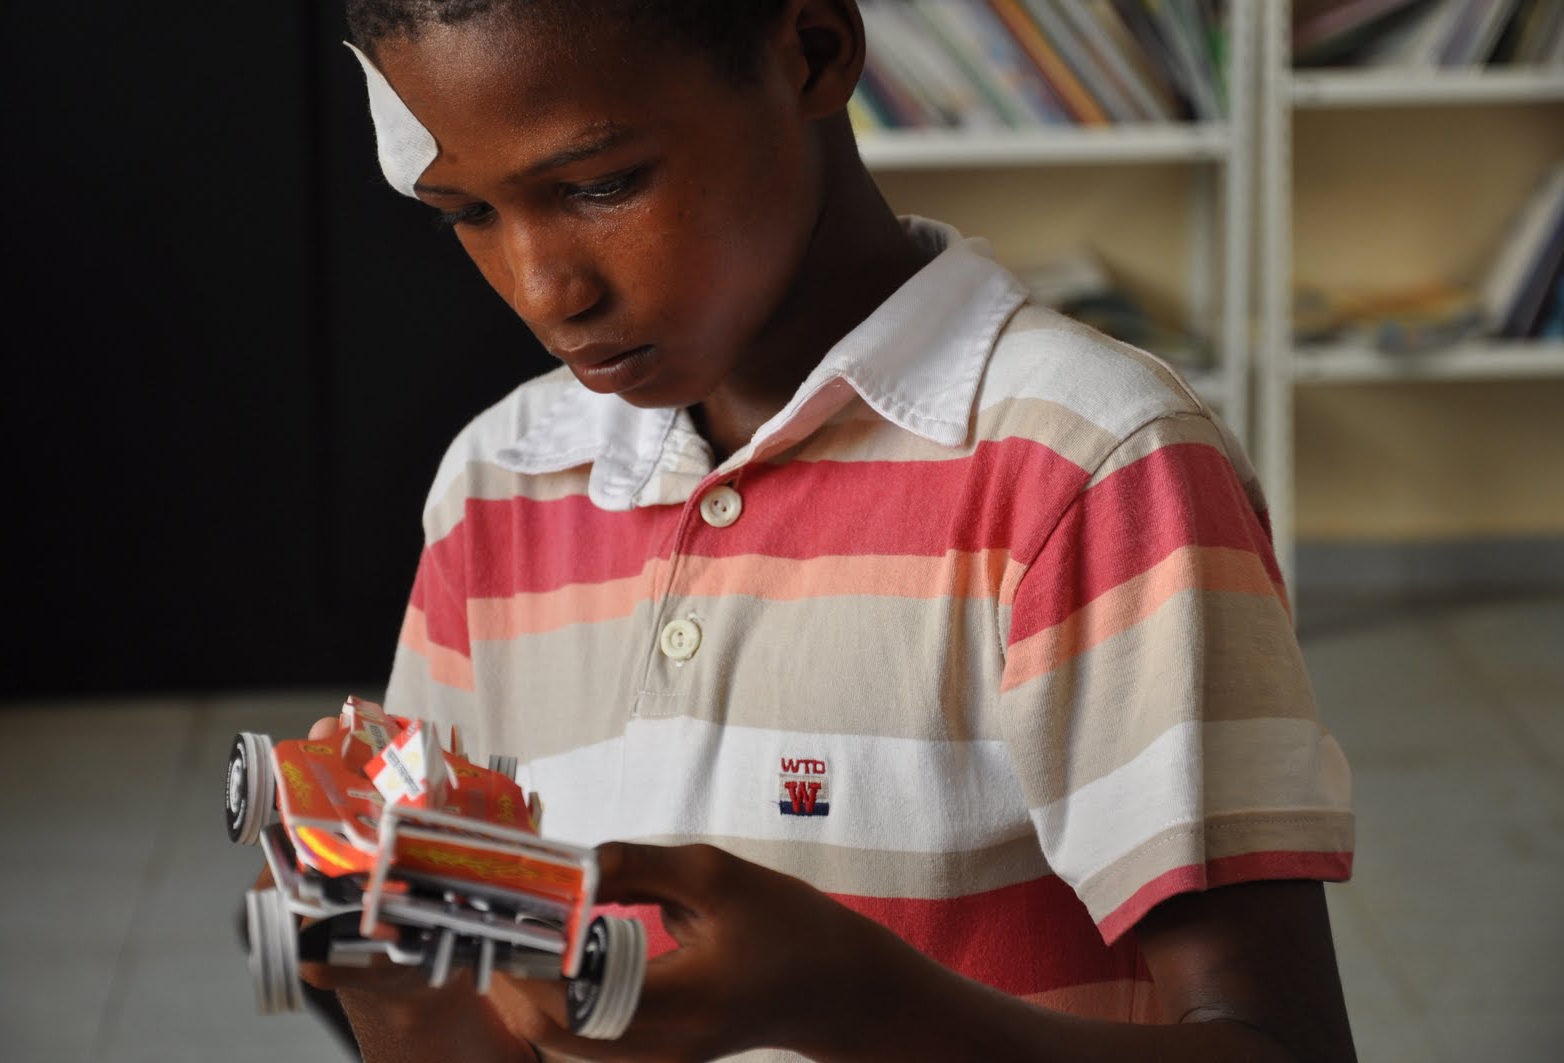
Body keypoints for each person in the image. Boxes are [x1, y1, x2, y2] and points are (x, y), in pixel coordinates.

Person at [301, 1, 1357, 1060]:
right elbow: (481, 1017)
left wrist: (861, 1005)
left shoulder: (1088, 466)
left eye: (601, 184)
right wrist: (386, 974)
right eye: (464, 214)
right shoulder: (499, 482)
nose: (544, 290)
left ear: (812, 53)